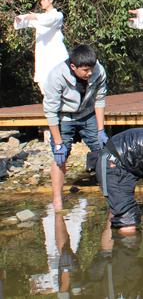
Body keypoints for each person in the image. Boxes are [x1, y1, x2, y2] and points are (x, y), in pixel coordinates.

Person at [43, 44, 109, 210]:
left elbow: (100, 99)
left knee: (105, 152)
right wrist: (58, 143)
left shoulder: (98, 71)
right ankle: (57, 200)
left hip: (88, 114)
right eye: (85, 70)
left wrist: (101, 130)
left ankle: (110, 193)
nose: (89, 73)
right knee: (61, 157)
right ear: (73, 67)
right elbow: (50, 112)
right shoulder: (56, 76)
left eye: (91, 69)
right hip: (63, 117)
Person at [13, 0, 69, 94]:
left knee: (60, 82)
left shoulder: (57, 16)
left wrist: (35, 16)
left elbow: (48, 20)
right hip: (43, 56)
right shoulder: (39, 18)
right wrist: (19, 19)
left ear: (50, 0)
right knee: (44, 84)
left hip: (56, 55)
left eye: (43, 0)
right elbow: (26, 20)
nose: (41, 2)